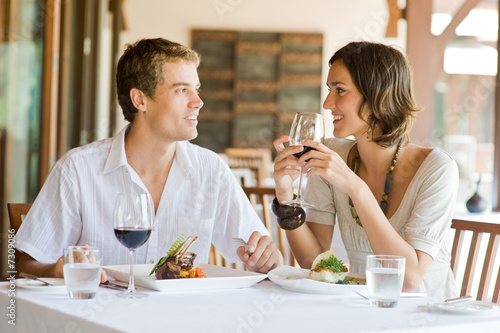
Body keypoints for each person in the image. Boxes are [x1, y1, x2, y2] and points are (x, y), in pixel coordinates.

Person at [15, 38, 281, 280]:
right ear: (140, 99)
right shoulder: (77, 170)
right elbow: (24, 264)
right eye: (181, 90)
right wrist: (57, 270)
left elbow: (265, 257)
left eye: (196, 89)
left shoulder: (211, 170)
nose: (198, 101)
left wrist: (267, 258)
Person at [272, 41, 458, 300]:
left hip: (426, 317)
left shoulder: (437, 169)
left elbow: (409, 279)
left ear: (377, 94)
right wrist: (284, 195)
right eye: (329, 90)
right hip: (363, 310)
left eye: (339, 90)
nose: (327, 103)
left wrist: (355, 187)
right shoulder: (331, 155)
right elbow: (313, 261)